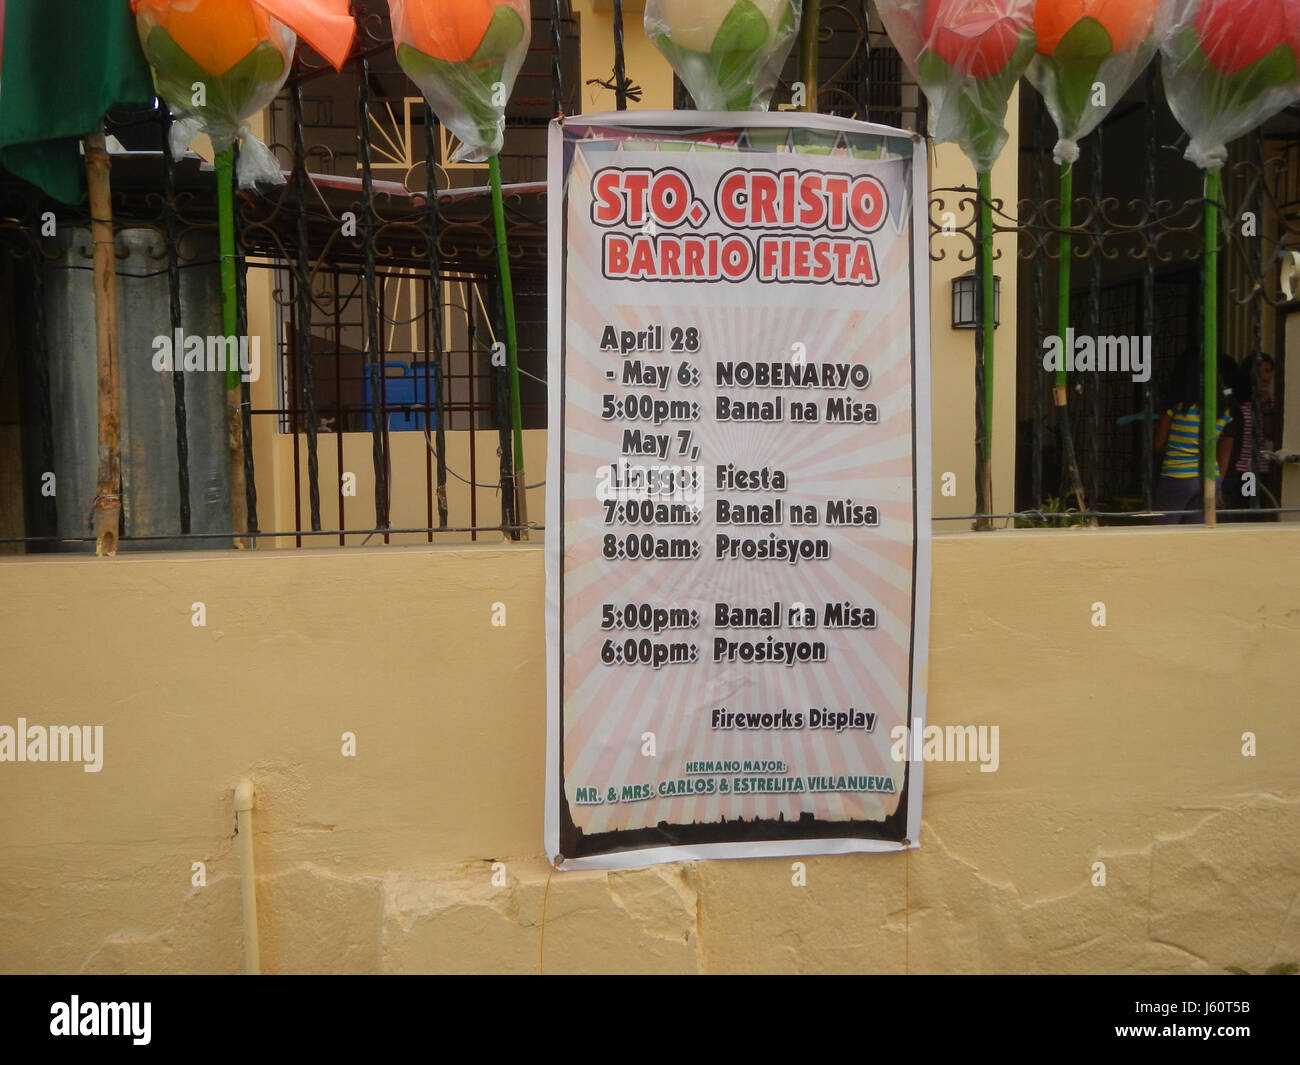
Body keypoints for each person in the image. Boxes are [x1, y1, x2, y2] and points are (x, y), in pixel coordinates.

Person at [1153, 354, 1232, 524]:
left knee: (1163, 534)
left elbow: (1158, 445)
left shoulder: (1177, 409)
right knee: (1196, 536)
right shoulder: (1223, 412)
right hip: (1210, 478)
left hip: (1177, 475)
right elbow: (1221, 447)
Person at [1222, 356, 1274, 519]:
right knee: (1235, 515)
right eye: (1259, 371)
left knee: (1254, 516)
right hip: (1237, 470)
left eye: (1267, 371)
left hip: (1259, 471)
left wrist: (1265, 407)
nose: (1264, 377)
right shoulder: (1235, 400)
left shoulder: (1270, 403)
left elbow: (1271, 434)